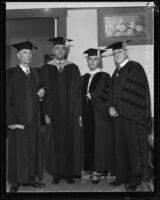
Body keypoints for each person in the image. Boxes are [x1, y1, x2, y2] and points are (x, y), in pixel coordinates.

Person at [106, 41, 152, 191]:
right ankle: (122, 176)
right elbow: (112, 95)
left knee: (133, 148)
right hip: (118, 117)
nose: (116, 55)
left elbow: (135, 93)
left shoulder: (135, 67)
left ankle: (134, 179)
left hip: (132, 116)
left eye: (119, 52)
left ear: (126, 52)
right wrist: (110, 107)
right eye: (114, 53)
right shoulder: (115, 72)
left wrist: (118, 107)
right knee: (120, 147)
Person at [40, 36, 82, 184]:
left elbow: (78, 92)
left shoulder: (73, 68)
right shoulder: (46, 68)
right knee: (55, 143)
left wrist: (79, 113)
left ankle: (68, 173)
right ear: (53, 51)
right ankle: (57, 173)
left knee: (70, 142)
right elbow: (42, 92)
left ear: (66, 51)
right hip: (53, 113)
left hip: (70, 113)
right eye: (57, 48)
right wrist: (45, 112)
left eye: (63, 48)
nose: (60, 51)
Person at [6, 41, 46, 193]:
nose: (28, 55)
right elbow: (6, 99)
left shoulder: (36, 73)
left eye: (30, 53)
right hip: (18, 120)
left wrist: (41, 97)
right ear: (18, 55)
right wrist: (11, 122)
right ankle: (15, 181)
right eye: (24, 52)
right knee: (17, 151)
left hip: (34, 120)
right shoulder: (10, 73)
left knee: (32, 150)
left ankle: (30, 178)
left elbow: (36, 96)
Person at [81, 48, 114, 184]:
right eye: (90, 59)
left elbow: (107, 94)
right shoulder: (83, 77)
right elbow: (79, 98)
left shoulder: (105, 76)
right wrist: (79, 114)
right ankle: (91, 168)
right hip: (87, 114)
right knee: (88, 141)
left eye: (95, 59)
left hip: (99, 114)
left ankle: (98, 171)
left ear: (99, 61)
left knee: (99, 142)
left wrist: (93, 95)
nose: (92, 62)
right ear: (87, 62)